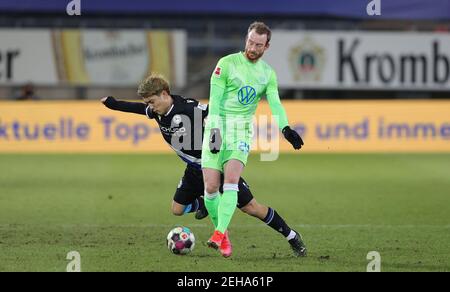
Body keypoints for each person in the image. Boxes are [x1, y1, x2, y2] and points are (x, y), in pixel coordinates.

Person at [101, 73, 306, 258]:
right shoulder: (158, 111)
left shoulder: (188, 108)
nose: (150, 106)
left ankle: (291, 236)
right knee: (177, 209)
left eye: (152, 101)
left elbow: (214, 114)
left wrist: (216, 139)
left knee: (252, 208)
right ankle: (203, 205)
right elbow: (137, 108)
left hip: (216, 166)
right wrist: (113, 104)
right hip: (194, 170)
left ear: (164, 94)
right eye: (148, 103)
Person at [202, 21, 306, 257]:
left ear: (266, 47)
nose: (252, 47)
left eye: (258, 44)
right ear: (246, 39)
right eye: (250, 42)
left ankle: (218, 235)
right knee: (210, 187)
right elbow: (215, 101)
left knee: (230, 182)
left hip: (241, 133)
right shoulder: (226, 64)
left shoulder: (267, 74)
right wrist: (216, 131)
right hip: (217, 128)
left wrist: (286, 128)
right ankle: (224, 235)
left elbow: (276, 104)